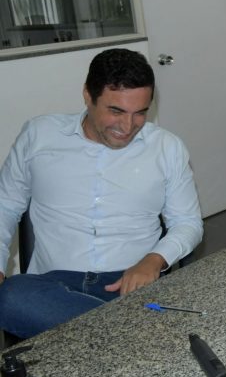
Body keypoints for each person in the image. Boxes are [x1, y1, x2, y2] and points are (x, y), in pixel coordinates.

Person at [0, 48, 203, 339]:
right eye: (116, 111)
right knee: (10, 297)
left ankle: (104, 337)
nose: (127, 126)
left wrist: (154, 259)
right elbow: (5, 205)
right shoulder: (39, 135)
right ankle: (127, 336)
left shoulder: (166, 148)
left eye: (140, 113)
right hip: (52, 288)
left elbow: (188, 223)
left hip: (130, 284)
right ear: (88, 95)